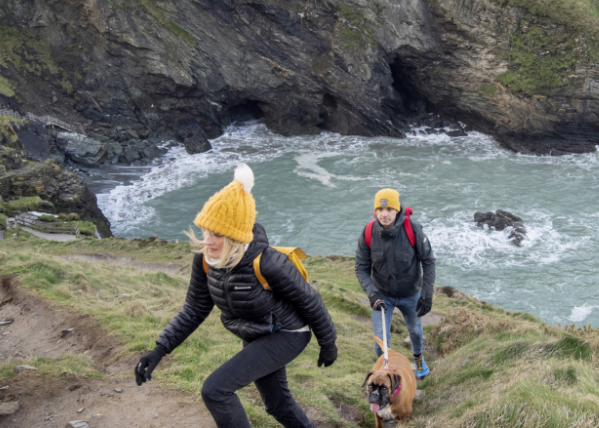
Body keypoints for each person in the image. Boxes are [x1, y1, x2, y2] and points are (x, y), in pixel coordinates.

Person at [136, 164, 337, 428]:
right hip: (257, 333)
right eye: (207, 230)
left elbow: (310, 301)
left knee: (215, 390)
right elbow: (195, 308)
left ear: (235, 236)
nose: (208, 240)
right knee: (278, 404)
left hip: (288, 333)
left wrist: (328, 344)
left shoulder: (268, 263)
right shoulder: (206, 260)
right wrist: (160, 350)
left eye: (217, 234)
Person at [355, 188, 436, 378]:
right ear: (375, 210)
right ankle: (391, 374)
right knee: (380, 342)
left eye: (390, 209)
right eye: (380, 209)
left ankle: (418, 360)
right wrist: (372, 294)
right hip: (382, 294)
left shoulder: (413, 230)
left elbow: (429, 261)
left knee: (415, 331)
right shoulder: (368, 232)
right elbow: (361, 267)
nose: (384, 214)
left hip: (411, 294)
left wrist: (426, 295)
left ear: (397, 209)